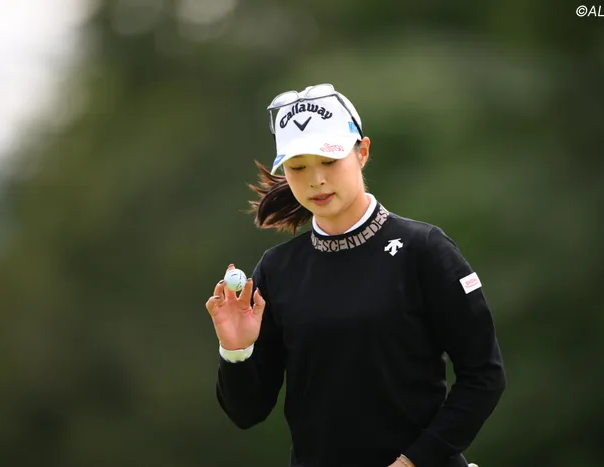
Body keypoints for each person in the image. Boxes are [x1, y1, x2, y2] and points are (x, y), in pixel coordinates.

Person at [205, 83, 506, 467]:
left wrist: (414, 461)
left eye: (329, 161)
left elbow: (484, 375)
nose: (316, 179)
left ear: (362, 152)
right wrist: (236, 351)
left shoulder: (424, 250)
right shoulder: (277, 270)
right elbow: (247, 412)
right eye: (298, 167)